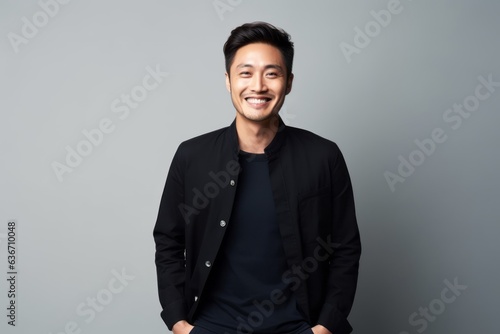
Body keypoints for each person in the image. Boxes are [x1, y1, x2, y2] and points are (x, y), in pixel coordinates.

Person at [153, 22, 361, 334]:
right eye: (246, 72)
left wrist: (325, 326)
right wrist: (178, 322)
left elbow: (345, 246)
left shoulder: (324, 157)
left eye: (272, 73)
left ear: (288, 82)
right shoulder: (191, 156)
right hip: (211, 327)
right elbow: (168, 240)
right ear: (228, 80)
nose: (258, 86)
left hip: (298, 327)